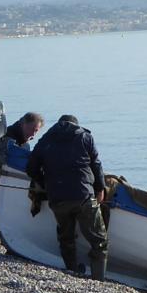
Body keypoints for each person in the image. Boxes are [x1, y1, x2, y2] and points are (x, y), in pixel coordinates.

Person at [25, 113, 109, 279]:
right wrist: (100, 188)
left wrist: (46, 184)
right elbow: (96, 165)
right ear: (76, 125)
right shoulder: (85, 137)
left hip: (58, 198)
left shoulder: (46, 140)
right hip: (84, 196)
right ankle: (98, 278)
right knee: (99, 241)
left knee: (66, 238)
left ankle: (72, 271)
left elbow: (31, 169)